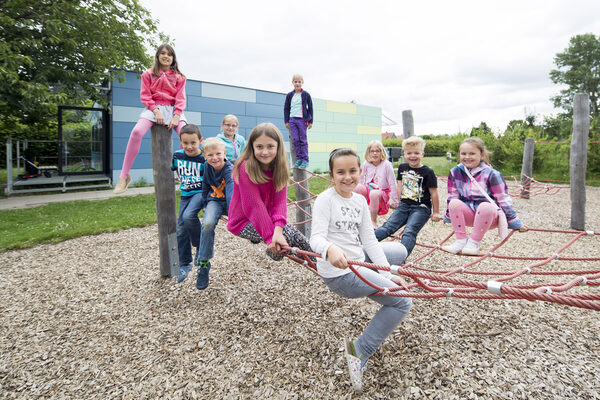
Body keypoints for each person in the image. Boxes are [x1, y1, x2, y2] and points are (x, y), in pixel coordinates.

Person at [310, 148, 412, 392]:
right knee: (403, 301)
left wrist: (386, 275)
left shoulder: (358, 200)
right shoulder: (325, 200)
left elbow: (369, 239)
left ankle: (383, 275)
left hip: (357, 258)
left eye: (353, 171)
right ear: (331, 175)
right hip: (341, 273)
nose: (348, 177)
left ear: (360, 172)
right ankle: (360, 350)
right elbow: (315, 238)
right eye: (340, 172)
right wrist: (330, 249)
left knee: (400, 252)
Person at [227, 122, 312, 261]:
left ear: (278, 147)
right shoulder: (245, 167)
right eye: (259, 147)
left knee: (294, 236)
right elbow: (254, 206)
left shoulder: (279, 167)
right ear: (252, 147)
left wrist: (278, 229)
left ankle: (318, 263)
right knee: (288, 237)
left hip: (266, 216)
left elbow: (280, 202)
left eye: (270, 146)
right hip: (242, 221)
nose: (265, 152)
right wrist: (270, 238)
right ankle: (279, 253)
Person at [114, 44, 187, 194]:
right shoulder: (147, 74)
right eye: (163, 53)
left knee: (187, 134)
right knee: (136, 132)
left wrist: (176, 116)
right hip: (153, 108)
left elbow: (180, 98)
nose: (166, 56)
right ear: (158, 56)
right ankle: (124, 176)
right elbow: (145, 95)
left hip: (173, 109)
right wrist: (156, 111)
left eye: (169, 54)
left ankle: (182, 172)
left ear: (173, 58)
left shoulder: (179, 77)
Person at [442, 137, 527, 255]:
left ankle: (474, 243)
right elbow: (453, 195)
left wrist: (514, 221)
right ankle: (460, 240)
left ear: (482, 155)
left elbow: (503, 199)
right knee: (453, 202)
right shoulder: (455, 172)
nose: (467, 157)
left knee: (485, 206)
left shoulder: (492, 174)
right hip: (469, 214)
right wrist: (448, 216)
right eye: (463, 153)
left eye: (472, 153)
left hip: (489, 215)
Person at [374, 136, 441, 256]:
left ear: (422, 154)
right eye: (409, 153)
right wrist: (397, 201)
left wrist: (436, 212)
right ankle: (363, 245)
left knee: (409, 231)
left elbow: (434, 193)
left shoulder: (428, 172)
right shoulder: (402, 168)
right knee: (387, 227)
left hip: (421, 207)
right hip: (404, 205)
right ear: (404, 154)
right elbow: (399, 185)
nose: (413, 156)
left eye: (416, 153)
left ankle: (399, 257)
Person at [195, 138, 234, 290]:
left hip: (232, 201)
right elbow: (205, 185)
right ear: (204, 156)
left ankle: (256, 234)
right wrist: (205, 202)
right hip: (215, 201)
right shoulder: (206, 166)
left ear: (224, 153)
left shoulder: (228, 169)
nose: (214, 158)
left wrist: (233, 214)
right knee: (207, 224)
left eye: (218, 153)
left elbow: (231, 192)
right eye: (210, 155)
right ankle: (204, 265)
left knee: (243, 218)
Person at [171, 124, 205, 283]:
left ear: (200, 141)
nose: (189, 146)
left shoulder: (204, 157)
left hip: (200, 192)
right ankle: (185, 263)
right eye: (185, 143)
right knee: (181, 229)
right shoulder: (177, 156)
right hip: (185, 194)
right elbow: (175, 170)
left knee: (189, 216)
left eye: (193, 142)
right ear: (180, 142)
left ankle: (199, 246)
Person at [353, 140, 399, 228]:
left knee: (374, 193)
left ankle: (373, 221)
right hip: (369, 188)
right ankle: (357, 217)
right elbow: (361, 177)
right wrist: (360, 186)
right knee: (357, 188)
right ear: (368, 153)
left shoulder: (387, 165)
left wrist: (395, 200)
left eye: (377, 151)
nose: (375, 153)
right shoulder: (366, 163)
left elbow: (392, 183)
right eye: (372, 151)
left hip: (382, 191)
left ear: (382, 152)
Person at [284, 73, 313, 169]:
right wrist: (286, 121)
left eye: (299, 81)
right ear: (292, 82)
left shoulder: (306, 95)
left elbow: (310, 108)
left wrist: (310, 121)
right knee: (295, 140)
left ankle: (305, 160)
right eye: (295, 81)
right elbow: (286, 108)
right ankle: (299, 158)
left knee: (302, 140)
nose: (297, 83)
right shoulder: (289, 95)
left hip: (302, 120)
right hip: (292, 120)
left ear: (302, 82)